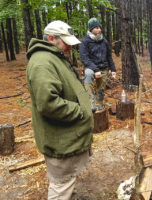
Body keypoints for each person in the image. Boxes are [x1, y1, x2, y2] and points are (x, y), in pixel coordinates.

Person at [26, 20, 94, 199]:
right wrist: (80, 111)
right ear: (51, 38)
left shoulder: (54, 56)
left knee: (67, 181)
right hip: (61, 140)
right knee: (61, 186)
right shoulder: (43, 63)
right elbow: (48, 104)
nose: (70, 48)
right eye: (66, 42)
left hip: (67, 136)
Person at [79, 17, 116, 111]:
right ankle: (90, 104)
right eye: (96, 27)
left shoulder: (104, 41)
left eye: (99, 27)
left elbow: (109, 56)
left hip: (103, 67)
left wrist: (113, 69)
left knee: (101, 89)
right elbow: (84, 58)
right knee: (88, 75)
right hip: (90, 67)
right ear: (91, 29)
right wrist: (95, 70)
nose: (99, 29)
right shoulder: (85, 41)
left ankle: (99, 104)